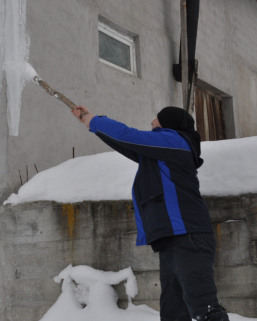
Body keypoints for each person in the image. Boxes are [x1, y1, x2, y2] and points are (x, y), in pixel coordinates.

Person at [71, 105, 229, 321]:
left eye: (156, 120)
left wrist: (94, 120)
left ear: (169, 124)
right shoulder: (162, 152)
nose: (152, 123)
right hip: (172, 241)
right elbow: (124, 143)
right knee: (174, 313)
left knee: (205, 310)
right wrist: (92, 124)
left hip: (189, 237)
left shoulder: (176, 141)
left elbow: (129, 135)